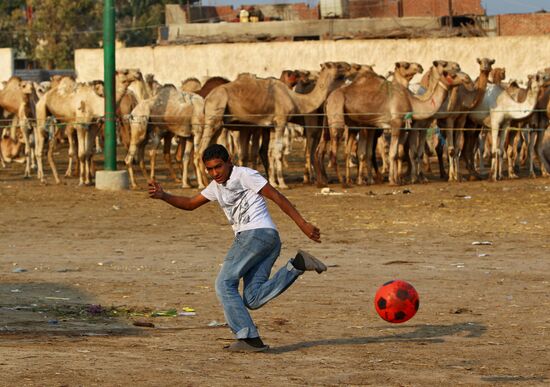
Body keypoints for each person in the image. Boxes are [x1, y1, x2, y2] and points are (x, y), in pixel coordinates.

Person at [148, 144, 327, 352]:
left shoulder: (245, 175)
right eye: (210, 169)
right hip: (269, 242)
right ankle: (297, 265)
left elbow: (277, 196)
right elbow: (190, 203)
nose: (215, 173)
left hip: (255, 235)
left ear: (229, 162)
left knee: (224, 284)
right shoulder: (216, 186)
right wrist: (164, 196)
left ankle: (248, 337)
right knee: (252, 298)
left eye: (218, 167)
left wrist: (302, 224)